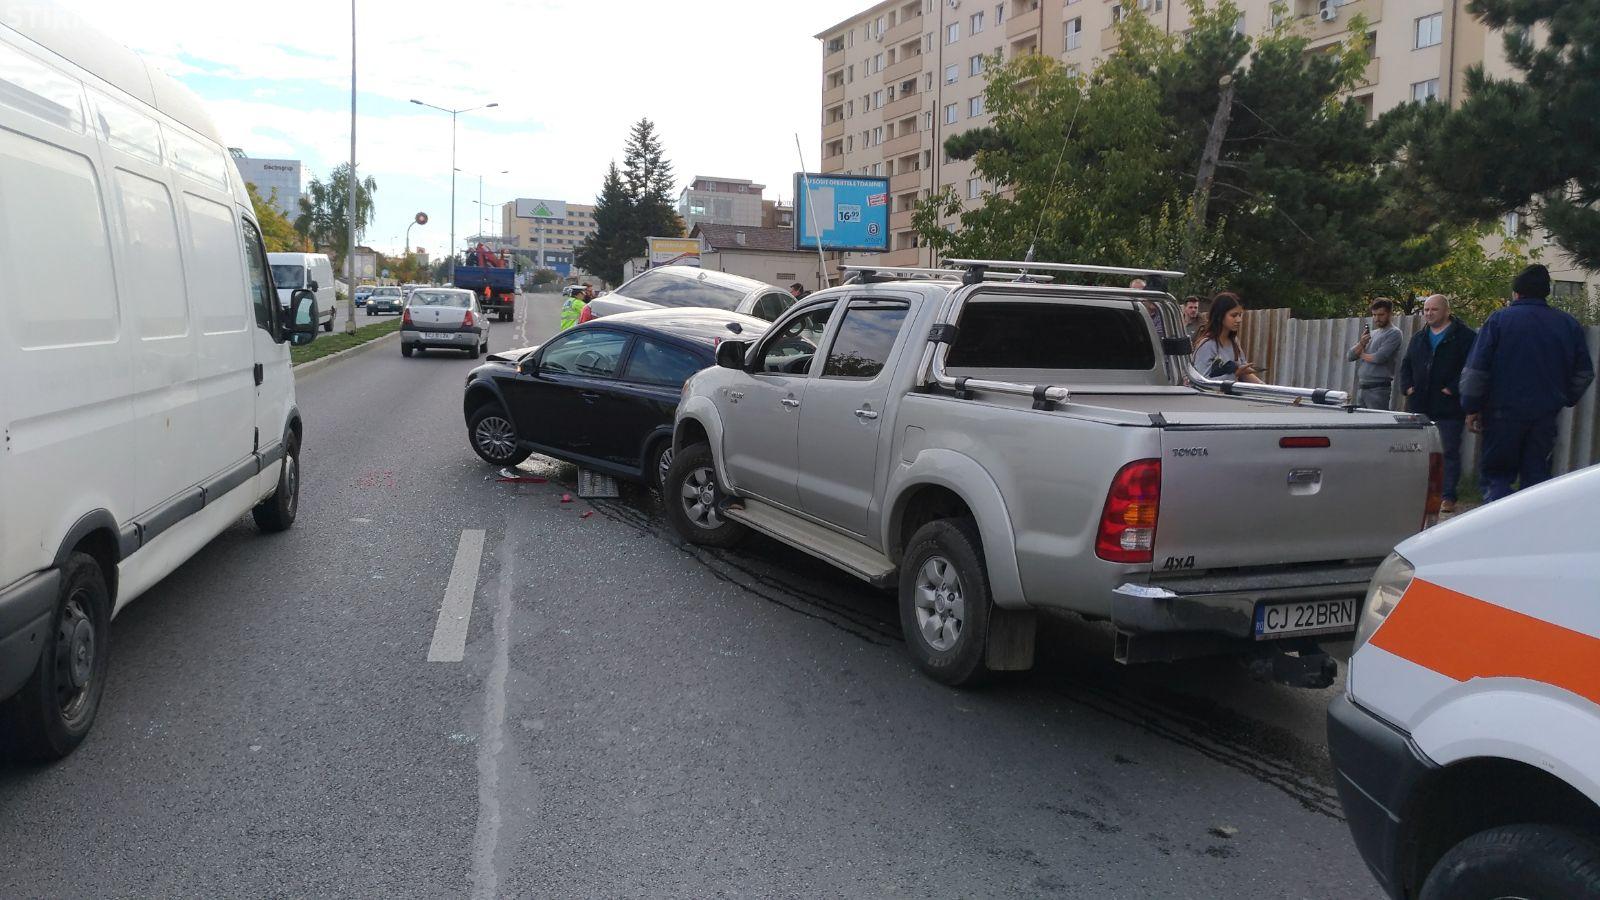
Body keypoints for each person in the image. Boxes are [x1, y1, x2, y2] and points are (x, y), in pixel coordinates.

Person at [1460, 264, 1595, 502]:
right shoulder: (1567, 324)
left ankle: (1497, 520)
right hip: (1544, 415)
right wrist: (1564, 397)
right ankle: (1532, 522)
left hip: (1501, 414)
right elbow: (1584, 373)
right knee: (1537, 481)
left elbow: (1476, 371)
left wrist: (1471, 406)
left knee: (1497, 477)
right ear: (1545, 292)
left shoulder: (1499, 320)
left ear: (1517, 293)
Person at [1399, 295, 1476, 513]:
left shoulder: (1465, 337)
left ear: (1446, 311)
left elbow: (1472, 367)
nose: (1429, 313)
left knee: (1448, 451)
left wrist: (1452, 388)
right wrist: (1407, 387)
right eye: (1426, 310)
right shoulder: (1419, 337)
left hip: (1448, 406)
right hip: (1419, 405)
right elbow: (1406, 365)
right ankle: (1419, 494)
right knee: (1418, 452)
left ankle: (1447, 496)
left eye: (1434, 309)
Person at [1192, 292, 1264, 383]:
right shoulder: (1207, 345)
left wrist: (1266, 388)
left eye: (1240, 315)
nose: (1239, 320)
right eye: (1234, 315)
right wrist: (1235, 374)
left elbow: (1244, 372)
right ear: (1220, 316)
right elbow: (1202, 382)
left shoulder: (1234, 342)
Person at [1347, 298, 1403, 409]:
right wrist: (1361, 343)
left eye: (1381, 315)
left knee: (1375, 419)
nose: (1377, 318)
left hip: (1378, 389)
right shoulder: (1372, 334)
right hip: (1362, 387)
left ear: (1389, 314)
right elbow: (1350, 356)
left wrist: (1361, 354)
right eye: (1374, 315)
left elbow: (1379, 358)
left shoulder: (1394, 333)